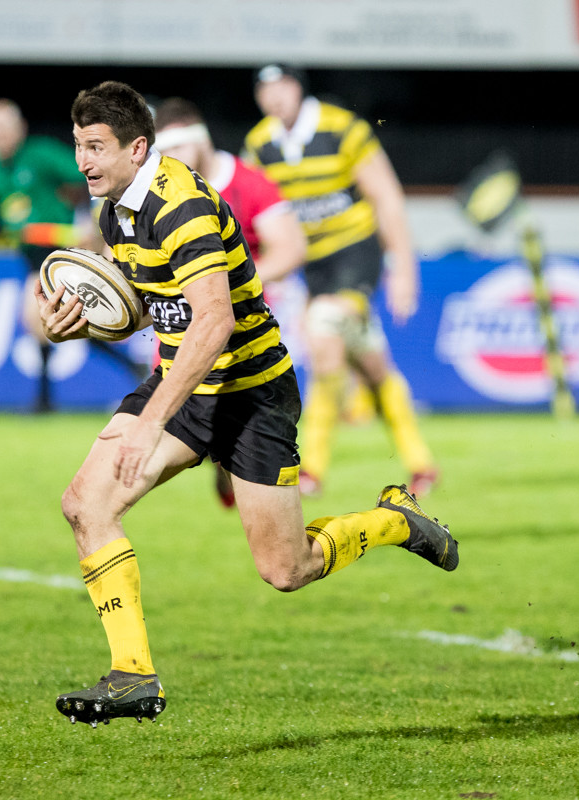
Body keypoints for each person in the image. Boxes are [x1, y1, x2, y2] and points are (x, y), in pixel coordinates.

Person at [36, 81, 458, 727]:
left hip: (251, 390)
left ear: (136, 146)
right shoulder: (114, 211)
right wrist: (88, 323)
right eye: (78, 147)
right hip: (185, 383)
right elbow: (156, 305)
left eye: (96, 147)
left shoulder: (182, 207)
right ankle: (133, 678)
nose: (83, 162)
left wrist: (150, 424)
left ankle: (396, 520)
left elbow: (215, 320)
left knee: (288, 570)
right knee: (85, 504)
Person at [243, 63, 439, 499]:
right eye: (265, 90)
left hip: (357, 253)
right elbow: (257, 213)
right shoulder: (259, 145)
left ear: (298, 88)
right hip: (312, 266)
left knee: (324, 336)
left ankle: (310, 468)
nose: (275, 97)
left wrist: (404, 267)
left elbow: (386, 195)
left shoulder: (342, 128)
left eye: (283, 86)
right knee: (370, 364)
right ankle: (421, 463)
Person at [152, 96, 308, 509]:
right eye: (163, 152)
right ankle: (225, 463)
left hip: (243, 334)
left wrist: (223, 282)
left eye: (179, 148)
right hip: (178, 334)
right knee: (178, 425)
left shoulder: (250, 183)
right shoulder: (159, 194)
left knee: (229, 426)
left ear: (201, 138)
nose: (173, 159)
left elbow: (290, 248)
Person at [0, 98, 94, 412]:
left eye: (5, 128)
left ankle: (44, 398)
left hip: (60, 248)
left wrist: (87, 222)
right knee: (57, 320)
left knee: (38, 317)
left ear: (21, 129)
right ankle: (124, 368)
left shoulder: (41, 153)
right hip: (28, 252)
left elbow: (86, 177)